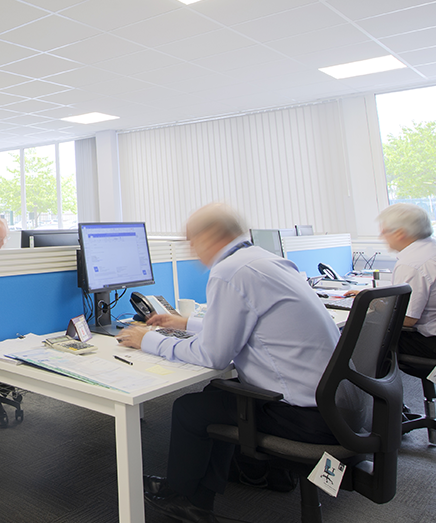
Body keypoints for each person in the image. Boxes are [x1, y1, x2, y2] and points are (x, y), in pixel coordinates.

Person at [116, 203, 341, 523]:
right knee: (216, 393)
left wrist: (147, 340)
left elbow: (213, 355)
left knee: (189, 409)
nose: (192, 249)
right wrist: (185, 323)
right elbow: (245, 323)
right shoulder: (261, 260)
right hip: (331, 404)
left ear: (211, 236)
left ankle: (186, 499)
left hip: (301, 415)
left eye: (193, 240)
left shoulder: (229, 272)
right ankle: (198, 494)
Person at [372, 203, 436, 366]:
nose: (381, 236)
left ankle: (359, 381)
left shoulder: (411, 264)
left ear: (400, 233)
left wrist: (372, 302)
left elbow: (407, 319)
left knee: (367, 335)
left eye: (385, 231)